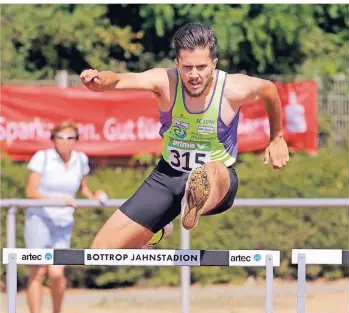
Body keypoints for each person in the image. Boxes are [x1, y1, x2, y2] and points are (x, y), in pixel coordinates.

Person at [80, 23, 289, 250]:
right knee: (100, 251)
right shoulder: (165, 82)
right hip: (168, 176)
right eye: (187, 67)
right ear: (176, 64)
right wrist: (100, 80)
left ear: (214, 64)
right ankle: (157, 229)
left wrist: (277, 137)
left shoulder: (232, 88)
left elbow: (269, 90)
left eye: (202, 67)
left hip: (219, 180)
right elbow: (119, 79)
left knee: (210, 171)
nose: (194, 75)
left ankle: (194, 198)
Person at [25, 121, 106, 313]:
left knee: (56, 273)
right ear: (53, 139)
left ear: (76, 140)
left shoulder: (80, 159)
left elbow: (82, 188)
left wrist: (95, 197)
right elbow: (31, 192)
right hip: (40, 220)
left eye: (70, 137)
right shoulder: (42, 158)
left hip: (63, 222)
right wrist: (58, 199)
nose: (65, 142)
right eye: (60, 137)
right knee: (38, 272)